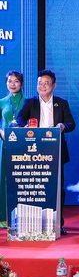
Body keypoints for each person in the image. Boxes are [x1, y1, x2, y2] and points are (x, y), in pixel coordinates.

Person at [16, 69, 76, 235]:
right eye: (39, 83)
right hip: (34, 151)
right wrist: (24, 125)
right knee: (35, 186)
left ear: (54, 85)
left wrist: (63, 126)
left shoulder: (62, 103)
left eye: (46, 83)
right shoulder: (30, 102)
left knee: (57, 188)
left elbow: (71, 123)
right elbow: (20, 119)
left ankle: (58, 223)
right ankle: (33, 221)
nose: (42, 86)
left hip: (56, 149)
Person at [0, 71, 27, 228]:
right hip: (4, 144)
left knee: (21, 178)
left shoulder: (29, 102)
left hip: (22, 144)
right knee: (4, 178)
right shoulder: (2, 102)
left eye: (16, 81)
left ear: (21, 83)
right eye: (9, 81)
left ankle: (22, 215)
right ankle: (3, 216)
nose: (13, 84)